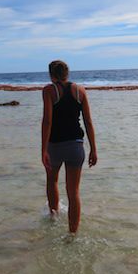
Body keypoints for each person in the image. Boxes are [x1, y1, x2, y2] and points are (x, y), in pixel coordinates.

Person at [41, 60, 97, 234]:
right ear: (67, 73)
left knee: (52, 181)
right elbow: (88, 121)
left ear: (52, 74)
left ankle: (54, 217)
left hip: (55, 146)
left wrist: (43, 149)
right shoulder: (80, 91)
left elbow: (47, 121)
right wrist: (94, 149)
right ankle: (73, 233)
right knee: (73, 192)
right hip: (76, 146)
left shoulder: (49, 90)